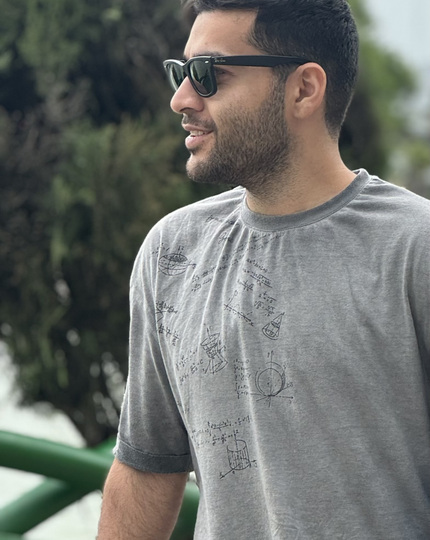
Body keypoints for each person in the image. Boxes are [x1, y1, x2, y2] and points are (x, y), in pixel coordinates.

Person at [97, 0, 430, 538]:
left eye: (208, 73)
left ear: (304, 89)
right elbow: (145, 469)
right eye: (181, 72)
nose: (181, 98)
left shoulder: (415, 247)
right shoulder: (172, 253)